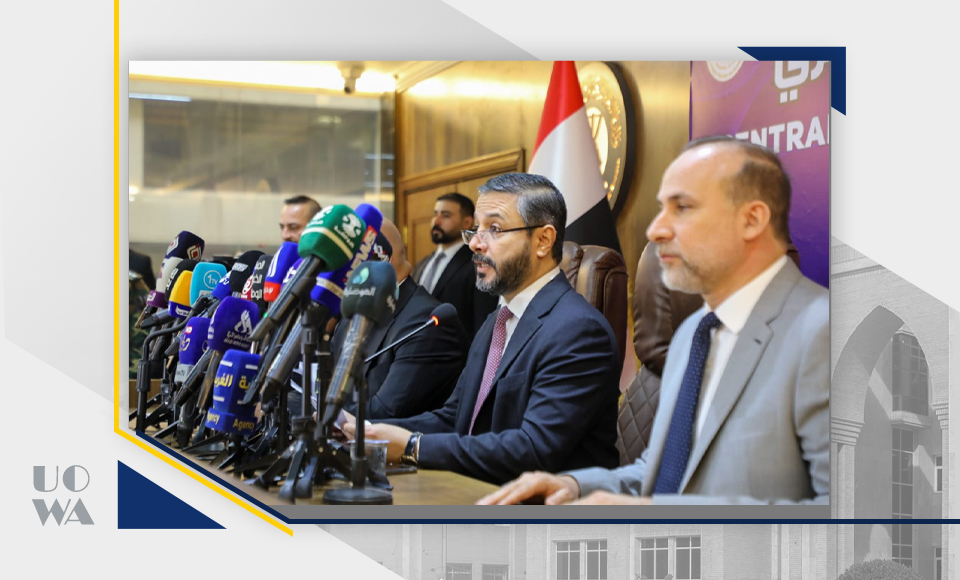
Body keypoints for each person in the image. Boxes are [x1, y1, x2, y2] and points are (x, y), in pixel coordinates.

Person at [477, 136, 829, 505]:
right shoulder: (693, 332)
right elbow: (663, 473)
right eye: (662, 208)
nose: (655, 229)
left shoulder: (824, 333)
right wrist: (574, 484)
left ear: (752, 220)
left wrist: (656, 512)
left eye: (683, 208)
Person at [342, 173, 621, 485]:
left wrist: (412, 447)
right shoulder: (498, 319)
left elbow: (533, 450)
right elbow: (455, 418)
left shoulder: (578, 331)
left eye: (495, 229)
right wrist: (366, 429)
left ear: (543, 240)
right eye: (476, 229)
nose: (475, 243)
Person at [332, 219, 469, 419]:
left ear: (378, 257)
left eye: (346, 262)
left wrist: (324, 415)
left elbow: (386, 411)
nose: (338, 273)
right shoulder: (350, 317)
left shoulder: (427, 323)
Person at [413, 193, 498, 340]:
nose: (437, 221)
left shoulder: (479, 264)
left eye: (445, 216)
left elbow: (482, 321)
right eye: (435, 214)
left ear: (467, 222)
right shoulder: (422, 264)